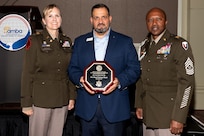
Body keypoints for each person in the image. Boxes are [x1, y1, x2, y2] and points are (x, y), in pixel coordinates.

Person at [68, 3, 140, 136]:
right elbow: (72, 68)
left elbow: (134, 69)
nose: (100, 21)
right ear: (91, 20)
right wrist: (81, 80)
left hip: (115, 107)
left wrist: (119, 82)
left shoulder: (125, 42)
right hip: (87, 107)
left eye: (104, 17)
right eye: (96, 18)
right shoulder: (80, 42)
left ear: (110, 18)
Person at [135, 7, 195, 136]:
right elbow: (141, 78)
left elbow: (187, 83)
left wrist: (179, 117)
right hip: (148, 113)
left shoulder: (178, 45)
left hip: (168, 115)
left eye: (158, 19)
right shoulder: (145, 46)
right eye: (150, 20)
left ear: (166, 22)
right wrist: (139, 105)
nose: (154, 23)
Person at [21, 4, 76, 136]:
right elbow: (27, 73)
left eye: (57, 15)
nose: (54, 19)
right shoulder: (34, 41)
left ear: (61, 19)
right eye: (50, 16)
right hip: (41, 100)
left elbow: (70, 71)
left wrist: (72, 96)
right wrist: (26, 103)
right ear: (44, 21)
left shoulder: (66, 41)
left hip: (62, 99)